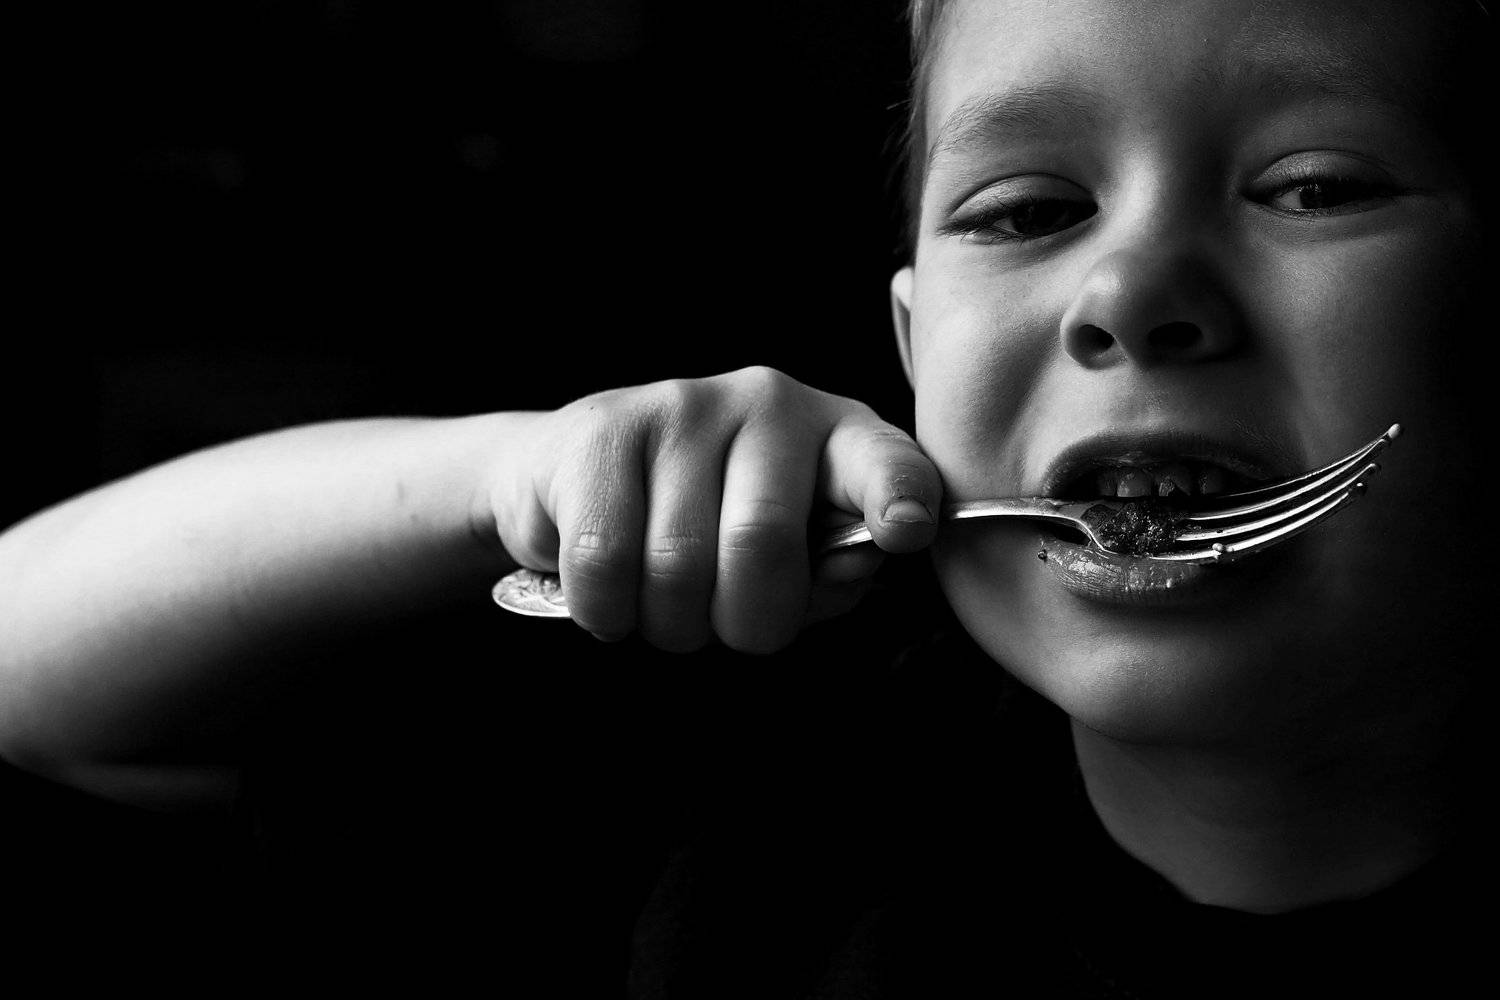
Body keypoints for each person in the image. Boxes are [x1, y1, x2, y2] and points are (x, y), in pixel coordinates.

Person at [0, 0, 1491, 993]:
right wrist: (509, 475)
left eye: (1316, 187)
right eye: (1029, 209)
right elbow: (28, 675)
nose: (1129, 292)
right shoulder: (752, 801)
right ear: (914, 350)